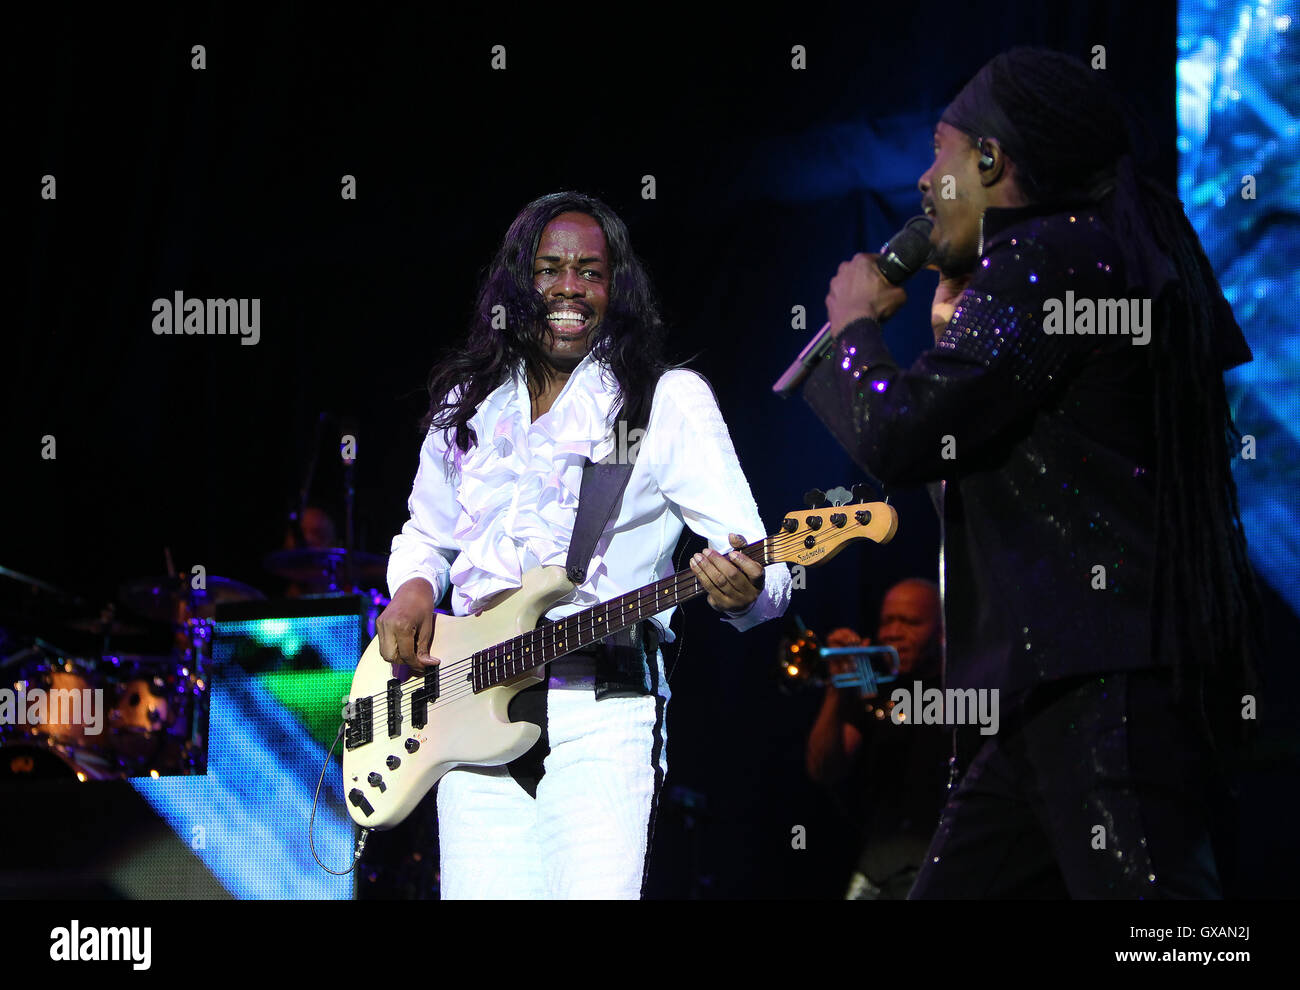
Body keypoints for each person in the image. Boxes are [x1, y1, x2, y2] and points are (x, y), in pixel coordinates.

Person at [802, 48, 1260, 898]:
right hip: (1042, 692)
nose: (920, 180)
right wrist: (948, 323)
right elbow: (958, 472)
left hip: (1096, 685)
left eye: (937, 150)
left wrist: (855, 328)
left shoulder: (1054, 252)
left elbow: (899, 435)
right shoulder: (1067, 258)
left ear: (989, 161)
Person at [378, 191, 791, 899]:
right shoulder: (466, 412)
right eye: (550, 268)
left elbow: (761, 561)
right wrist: (413, 586)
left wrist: (749, 586)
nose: (570, 287)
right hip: (469, 716)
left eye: (590, 272)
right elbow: (424, 534)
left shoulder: (664, 403)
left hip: (598, 714)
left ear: (615, 289)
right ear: (517, 282)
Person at [806, 579, 949, 899]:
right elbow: (823, 769)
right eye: (887, 621)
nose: (894, 632)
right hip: (879, 864)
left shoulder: (962, 687)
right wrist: (836, 690)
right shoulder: (872, 688)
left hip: (942, 861)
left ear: (942, 630)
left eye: (910, 622)